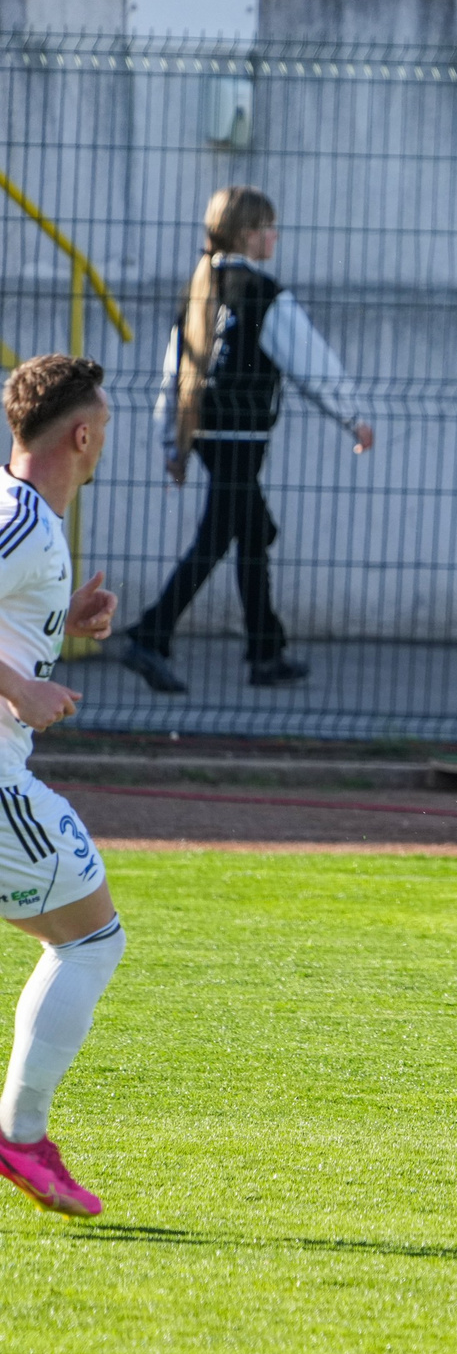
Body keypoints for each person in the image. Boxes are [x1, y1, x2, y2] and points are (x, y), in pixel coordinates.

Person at [124, 185, 375, 696]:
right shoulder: (264, 294)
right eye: (267, 228)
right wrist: (354, 417)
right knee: (220, 537)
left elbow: (175, 374)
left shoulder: (201, 288)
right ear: (246, 234)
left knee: (253, 531)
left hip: (210, 437)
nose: (274, 236)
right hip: (243, 436)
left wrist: (173, 444)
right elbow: (312, 363)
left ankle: (266, 650)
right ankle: (150, 635)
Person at [0, 357, 130, 1219]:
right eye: (105, 427)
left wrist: (60, 626)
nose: (104, 443)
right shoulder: (24, 522)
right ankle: (19, 1134)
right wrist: (22, 689)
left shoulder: (28, 521)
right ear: (81, 434)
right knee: (92, 939)